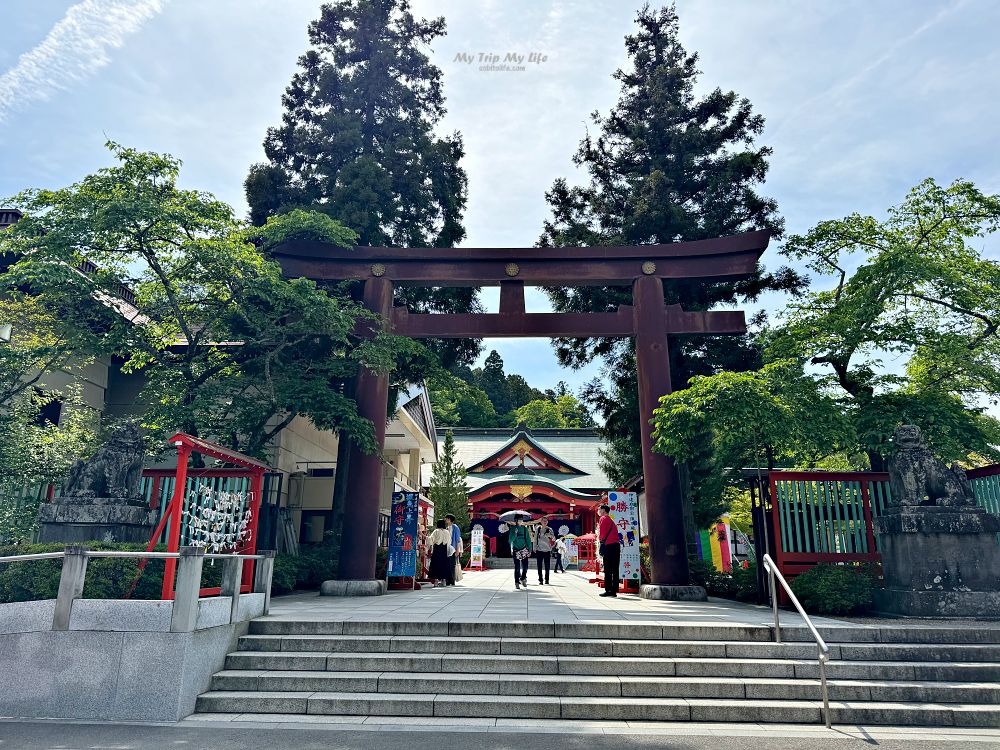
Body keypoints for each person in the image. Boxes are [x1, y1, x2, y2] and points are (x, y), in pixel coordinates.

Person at [597, 503, 621, 598]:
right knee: (615, 568)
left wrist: (600, 543)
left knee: (607, 568)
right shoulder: (611, 520)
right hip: (616, 545)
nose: (598, 511)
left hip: (608, 545)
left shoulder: (603, 518)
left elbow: (602, 534)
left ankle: (608, 590)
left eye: (599, 509)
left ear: (603, 510)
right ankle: (614, 590)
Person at [426, 519, 454, 587]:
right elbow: (449, 541)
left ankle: (436, 581)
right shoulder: (447, 532)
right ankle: (444, 581)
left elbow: (431, 540)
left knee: (436, 564)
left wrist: (425, 536)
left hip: (437, 550)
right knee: (444, 565)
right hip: (445, 550)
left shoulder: (436, 531)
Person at [508, 516, 532, 589]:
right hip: (516, 549)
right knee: (517, 567)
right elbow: (510, 540)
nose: (520, 521)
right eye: (519, 520)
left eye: (521, 520)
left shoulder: (525, 529)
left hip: (524, 549)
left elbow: (528, 539)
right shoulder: (513, 528)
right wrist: (515, 534)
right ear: (516, 520)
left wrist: (530, 549)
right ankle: (516, 582)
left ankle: (523, 578)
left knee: (525, 567)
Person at [532, 517, 556, 585]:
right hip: (539, 549)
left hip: (547, 550)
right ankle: (540, 579)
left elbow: (554, 539)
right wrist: (534, 547)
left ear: (547, 522)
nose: (545, 522)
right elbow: (535, 538)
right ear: (541, 522)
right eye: (543, 521)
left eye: (546, 521)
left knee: (547, 566)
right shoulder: (538, 529)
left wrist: (550, 536)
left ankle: (547, 579)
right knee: (539, 566)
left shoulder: (550, 529)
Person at [445, 514, 463, 586]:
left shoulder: (455, 527)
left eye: (446, 519)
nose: (445, 520)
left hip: (453, 549)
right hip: (447, 548)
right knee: (447, 564)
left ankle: (452, 581)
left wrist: (457, 550)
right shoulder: (447, 527)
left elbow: (458, 539)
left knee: (452, 565)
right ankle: (447, 580)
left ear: (449, 519)